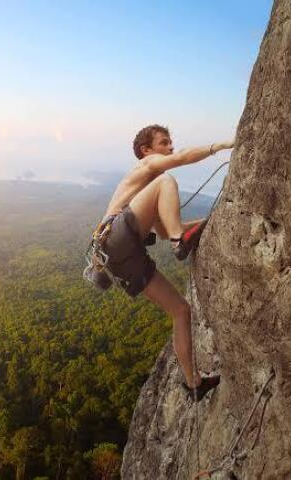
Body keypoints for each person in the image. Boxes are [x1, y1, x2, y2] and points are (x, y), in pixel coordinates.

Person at [98, 124, 234, 401]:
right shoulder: (148, 167)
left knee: (181, 311)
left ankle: (193, 382)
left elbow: (164, 230)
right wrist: (221, 146)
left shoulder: (147, 197)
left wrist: (214, 219)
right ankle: (180, 241)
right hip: (114, 237)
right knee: (167, 180)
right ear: (146, 150)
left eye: (171, 143)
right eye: (164, 143)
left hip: (120, 258)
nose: (170, 147)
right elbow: (181, 159)